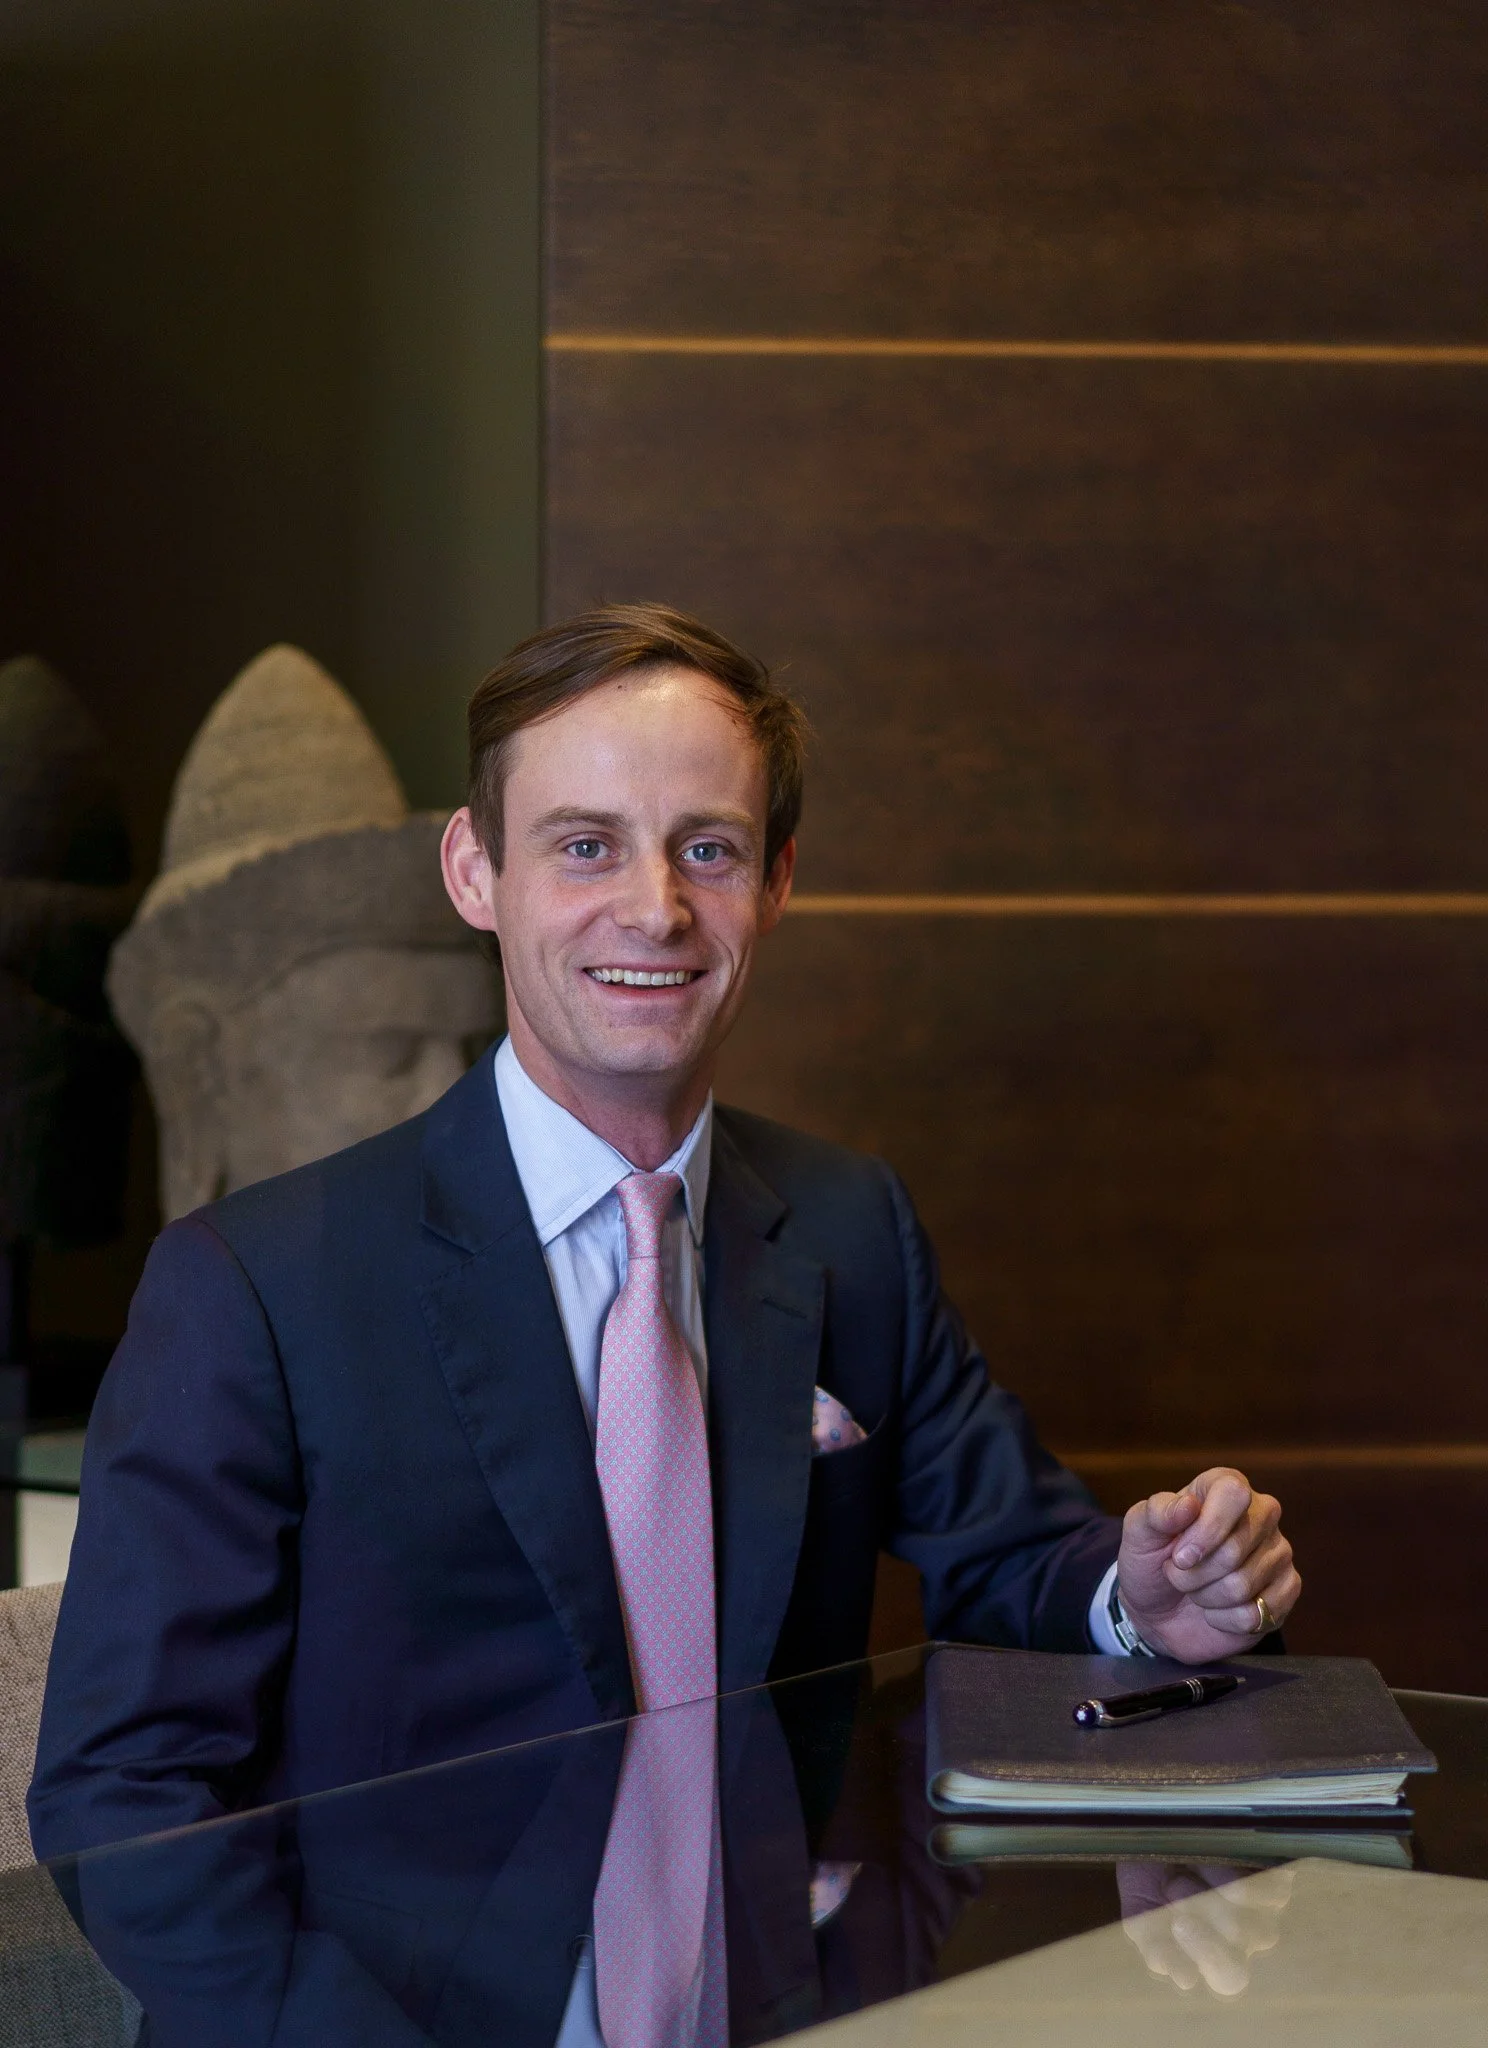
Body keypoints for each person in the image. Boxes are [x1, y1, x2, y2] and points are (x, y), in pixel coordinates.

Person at [29, 605, 1299, 1866]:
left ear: (777, 880)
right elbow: (126, 1794)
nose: (655, 909)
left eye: (709, 849)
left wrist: (1144, 1598)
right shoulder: (251, 1285)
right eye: (586, 845)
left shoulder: (854, 1223)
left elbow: (1017, 1552)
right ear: (477, 870)